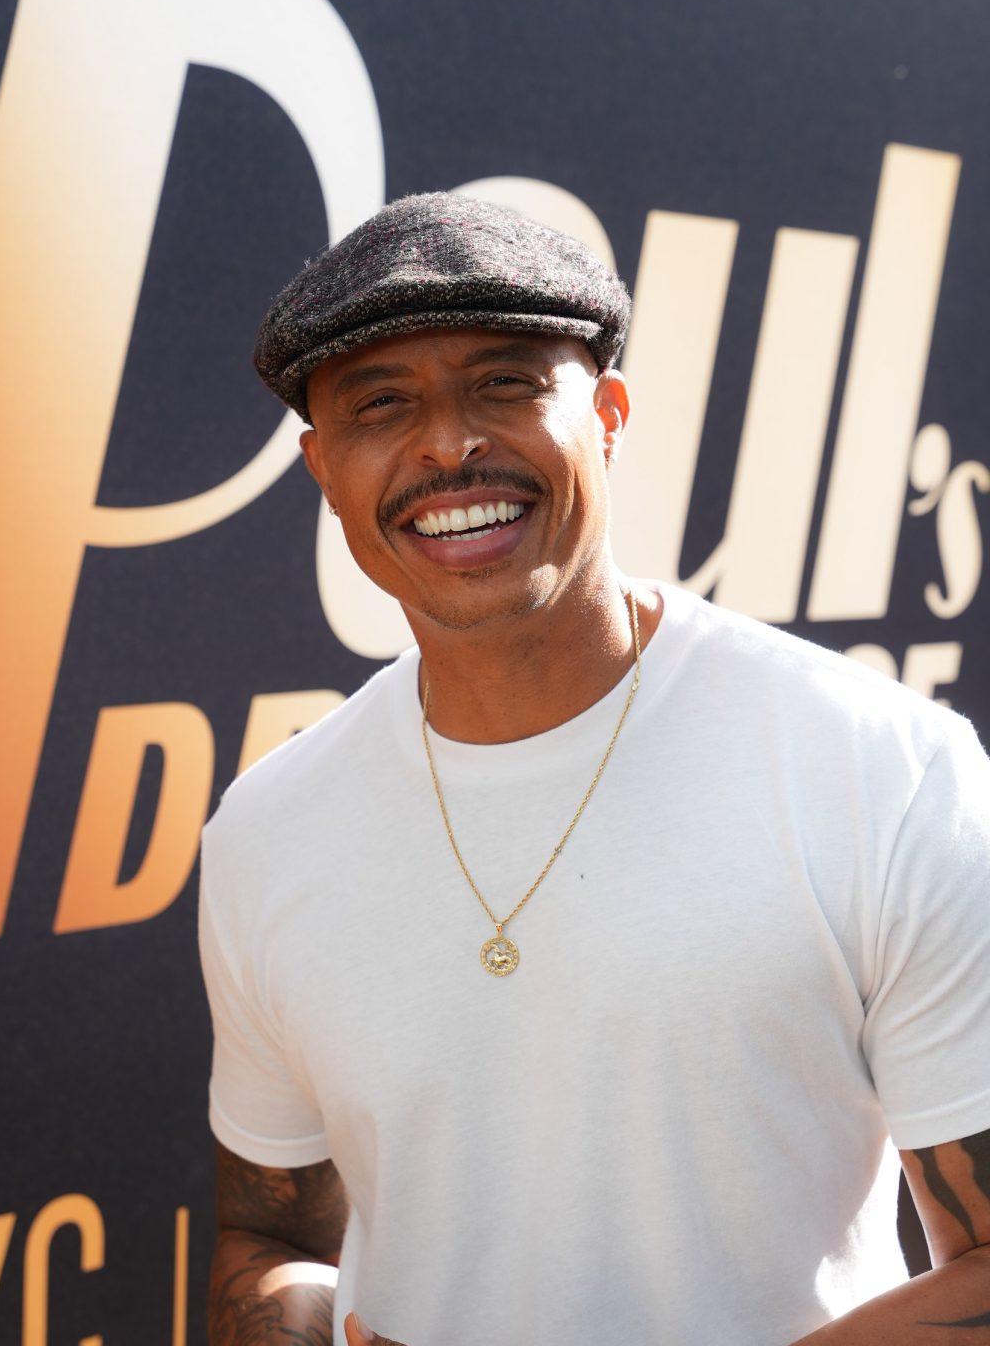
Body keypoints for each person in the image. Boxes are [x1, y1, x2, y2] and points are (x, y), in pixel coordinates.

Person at [199, 192, 990, 1346]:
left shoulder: (878, 767)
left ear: (609, 414)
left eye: (506, 385)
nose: (446, 445)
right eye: (381, 405)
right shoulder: (269, 828)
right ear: (324, 470)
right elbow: (270, 1244)